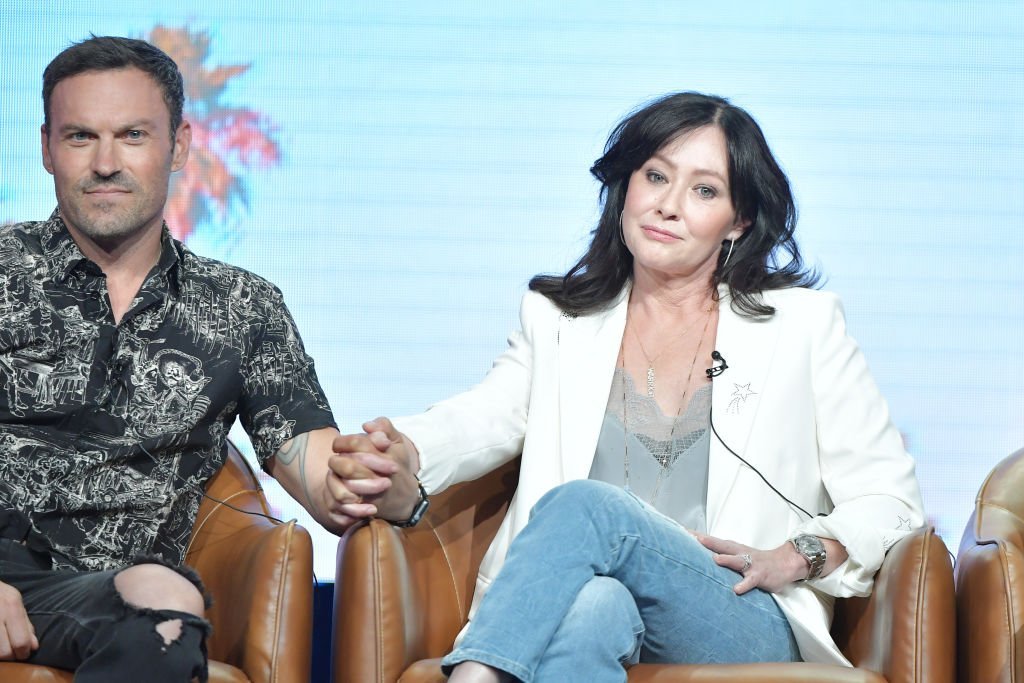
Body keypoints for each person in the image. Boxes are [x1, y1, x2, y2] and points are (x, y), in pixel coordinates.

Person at [333, 92, 925, 681]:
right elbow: (483, 417)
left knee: (585, 505)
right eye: (655, 176)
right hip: (584, 607)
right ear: (626, 191)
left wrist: (798, 557)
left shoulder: (802, 327)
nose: (668, 206)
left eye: (704, 190)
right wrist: (402, 450)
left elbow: (891, 500)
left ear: (738, 221)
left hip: (738, 615)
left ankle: (477, 674)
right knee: (595, 605)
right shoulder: (558, 320)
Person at [0, 36, 373, 681]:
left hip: (119, 593)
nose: (107, 162)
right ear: (46, 149)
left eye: (134, 135)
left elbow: (316, 468)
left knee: (170, 603)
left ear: (178, 147)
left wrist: (369, 479)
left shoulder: (239, 305)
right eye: (81, 137)